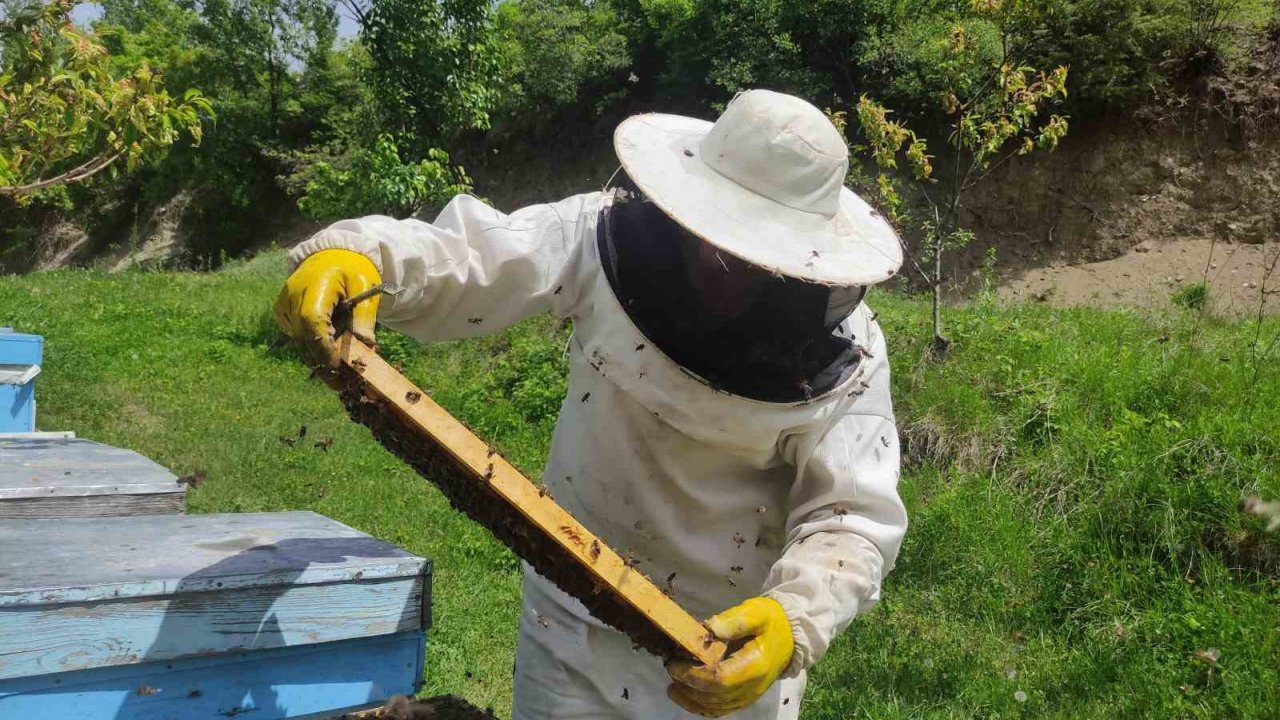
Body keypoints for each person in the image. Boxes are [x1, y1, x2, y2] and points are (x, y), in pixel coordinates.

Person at [274, 89, 908, 719]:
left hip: (723, 656)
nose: (727, 268)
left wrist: (791, 617)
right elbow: (475, 257)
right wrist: (363, 255)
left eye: (754, 257)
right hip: (569, 623)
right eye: (717, 239)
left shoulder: (852, 355)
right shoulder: (599, 236)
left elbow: (851, 518)